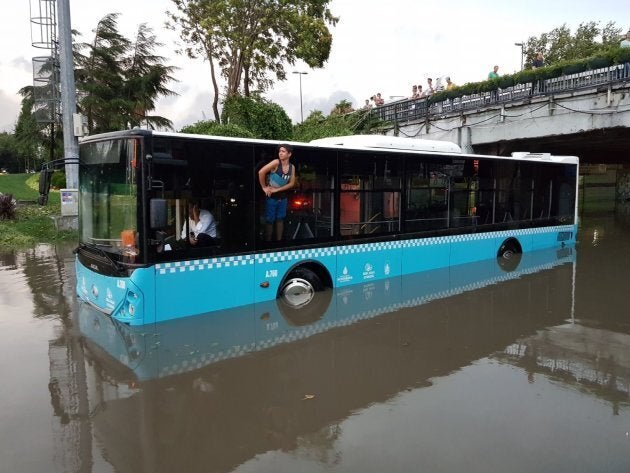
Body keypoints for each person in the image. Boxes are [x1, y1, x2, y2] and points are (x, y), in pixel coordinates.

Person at [258, 144, 296, 241]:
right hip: (271, 197)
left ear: (289, 154)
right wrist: (264, 187)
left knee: (280, 220)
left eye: (283, 151)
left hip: (282, 198)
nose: (280, 153)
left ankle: (279, 242)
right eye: (280, 151)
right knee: (270, 221)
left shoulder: (292, 167)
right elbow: (261, 172)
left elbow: (291, 184)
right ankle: (268, 242)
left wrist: (277, 189)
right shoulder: (276, 162)